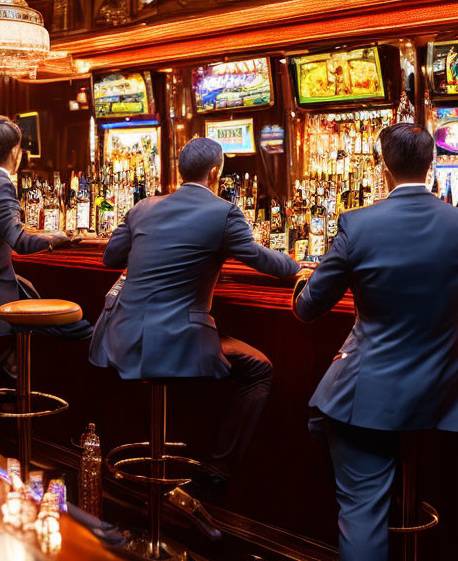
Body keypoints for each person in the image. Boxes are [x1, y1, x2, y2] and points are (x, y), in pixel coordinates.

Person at [292, 123, 458, 561]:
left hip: (370, 395)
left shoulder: (357, 225)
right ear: (432, 165)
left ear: (383, 168)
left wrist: (301, 284)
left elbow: (307, 310)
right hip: (445, 396)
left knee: (361, 511)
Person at [90, 137, 300, 478]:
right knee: (260, 369)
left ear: (179, 171)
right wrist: (298, 268)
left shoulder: (142, 207)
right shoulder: (223, 213)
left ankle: (157, 462)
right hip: (174, 341)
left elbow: (110, 257)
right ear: (215, 172)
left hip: (122, 336)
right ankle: (215, 472)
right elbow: (262, 260)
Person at [0, 116, 92, 376]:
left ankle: (8, 369)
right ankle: (24, 379)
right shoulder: (0, 183)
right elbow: (20, 241)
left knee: (38, 304)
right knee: (81, 327)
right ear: (15, 152)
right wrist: (59, 239)